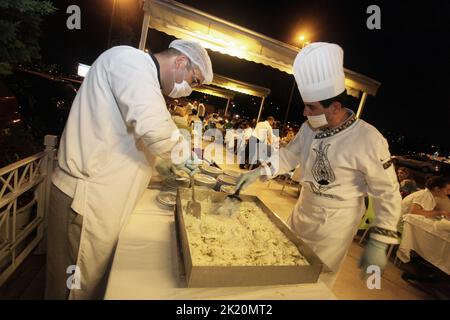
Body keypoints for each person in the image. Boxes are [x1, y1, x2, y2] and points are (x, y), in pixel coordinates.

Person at [46, 39, 213, 299]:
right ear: (180, 62)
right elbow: (157, 131)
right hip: (84, 200)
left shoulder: (146, 80)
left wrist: (164, 167)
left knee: (88, 287)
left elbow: (136, 140)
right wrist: (189, 161)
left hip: (102, 198)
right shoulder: (130, 62)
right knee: (72, 291)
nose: (190, 90)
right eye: (194, 80)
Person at [236, 42, 402, 288]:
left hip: (335, 224)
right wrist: (260, 171)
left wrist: (380, 238)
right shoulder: (309, 128)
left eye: (311, 107)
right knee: (280, 259)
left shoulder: (368, 139)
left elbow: (386, 192)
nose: (304, 112)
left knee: (313, 281)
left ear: (335, 107)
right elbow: (289, 155)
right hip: (303, 209)